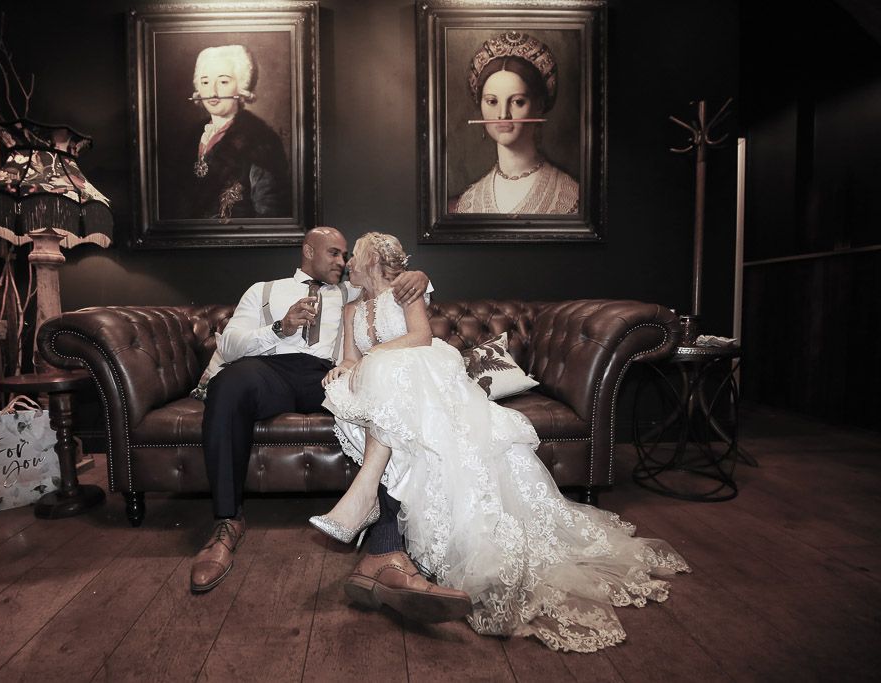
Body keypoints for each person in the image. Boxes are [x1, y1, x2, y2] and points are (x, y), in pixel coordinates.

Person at [310, 232, 690, 653]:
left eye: (353, 257)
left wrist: (373, 357)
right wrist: (345, 367)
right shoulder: (349, 308)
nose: (347, 264)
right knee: (379, 383)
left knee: (395, 373)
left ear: (373, 261)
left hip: (421, 378)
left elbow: (419, 337)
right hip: (382, 389)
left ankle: (369, 501)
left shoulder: (406, 289)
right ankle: (380, 536)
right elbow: (348, 357)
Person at [191, 226, 473, 623]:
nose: (342, 263)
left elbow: (389, 290)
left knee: (385, 401)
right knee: (229, 384)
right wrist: (281, 327)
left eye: (346, 256)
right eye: (335, 254)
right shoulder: (263, 290)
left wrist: (420, 276)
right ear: (309, 251)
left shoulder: (351, 293)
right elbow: (229, 345)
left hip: (330, 374)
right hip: (269, 368)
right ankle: (226, 522)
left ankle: (385, 550)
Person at [450, 31, 579, 215]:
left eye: (517, 102)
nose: (503, 115)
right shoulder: (468, 202)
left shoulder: (572, 196)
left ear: (539, 105)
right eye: (492, 102)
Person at [163, 44, 291, 221]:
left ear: (241, 86)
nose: (212, 92)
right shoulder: (192, 136)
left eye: (223, 82)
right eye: (205, 82)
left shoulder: (261, 140)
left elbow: (270, 212)